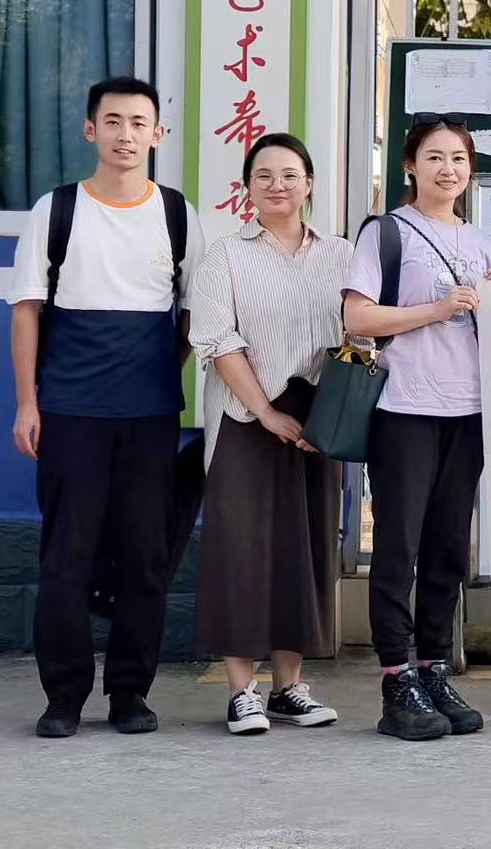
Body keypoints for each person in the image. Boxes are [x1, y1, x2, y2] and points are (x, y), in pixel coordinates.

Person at [7, 76, 206, 739]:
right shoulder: (56, 210)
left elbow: (194, 314)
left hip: (150, 418)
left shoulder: (177, 215)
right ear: (90, 129)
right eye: (113, 121)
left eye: (139, 123)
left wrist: (159, 371)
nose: (126, 135)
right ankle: (63, 697)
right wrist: (28, 403)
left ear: (158, 135)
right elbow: (27, 311)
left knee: (145, 558)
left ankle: (130, 694)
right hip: (69, 414)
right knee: (67, 556)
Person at [345, 117, 491, 742]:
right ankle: (396, 678)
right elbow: (358, 316)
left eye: (459, 159)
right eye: (434, 157)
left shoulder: (481, 243)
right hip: (405, 407)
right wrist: (436, 309)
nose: (448, 169)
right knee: (398, 546)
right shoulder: (387, 232)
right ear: (410, 165)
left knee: (447, 547)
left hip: (469, 411)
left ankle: (434, 669)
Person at [189, 134, 351, 736]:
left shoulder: (341, 254)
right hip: (245, 419)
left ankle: (288, 687)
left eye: (289, 174)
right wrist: (266, 412)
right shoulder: (225, 256)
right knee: (241, 550)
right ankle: (242, 692)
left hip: (317, 423)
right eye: (264, 176)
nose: (277, 185)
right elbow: (215, 340)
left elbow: (358, 334)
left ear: (309, 183)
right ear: (247, 188)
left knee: (304, 549)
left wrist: (329, 418)